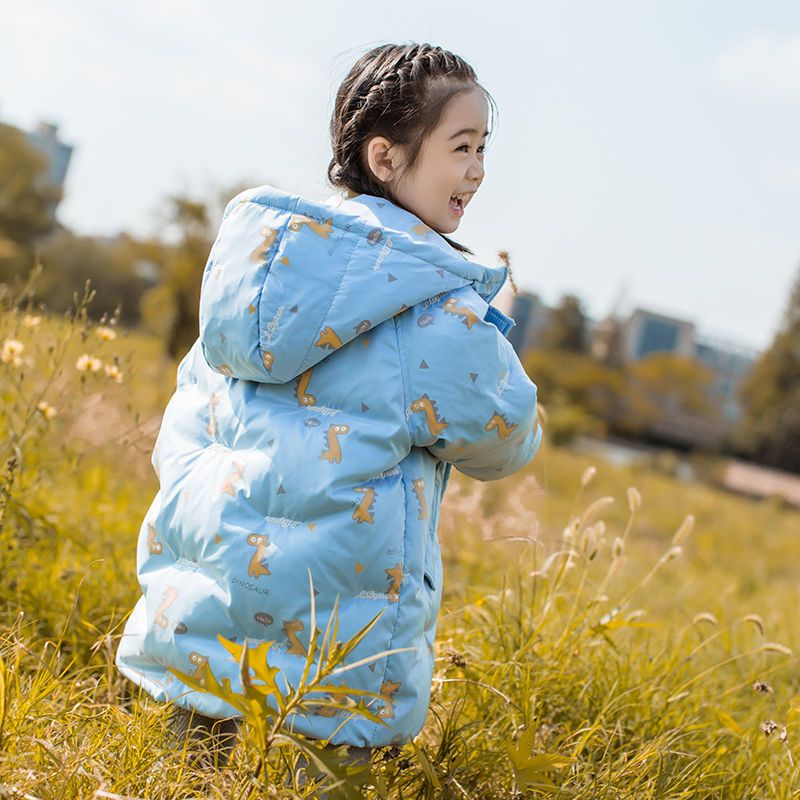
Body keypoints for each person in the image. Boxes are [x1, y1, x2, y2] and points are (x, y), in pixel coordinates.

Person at [115, 41, 544, 777]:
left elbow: (188, 422)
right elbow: (508, 440)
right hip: (333, 669)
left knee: (171, 782)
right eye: (462, 147)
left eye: (483, 149)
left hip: (193, 632)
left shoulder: (257, 275)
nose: (478, 171)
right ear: (385, 158)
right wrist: (494, 327)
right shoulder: (434, 310)